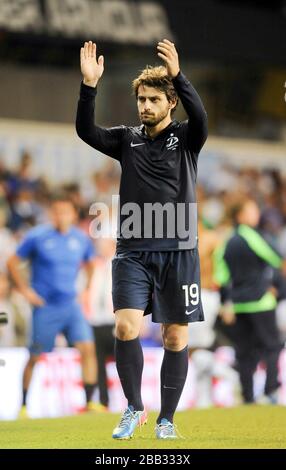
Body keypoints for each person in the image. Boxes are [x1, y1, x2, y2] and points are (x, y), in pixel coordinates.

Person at [76, 39, 207, 439]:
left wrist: (178, 76)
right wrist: (88, 86)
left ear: (170, 103)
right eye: (141, 100)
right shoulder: (126, 139)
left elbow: (200, 114)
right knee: (126, 328)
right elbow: (86, 131)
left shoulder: (187, 138)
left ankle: (167, 418)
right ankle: (134, 408)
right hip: (132, 251)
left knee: (174, 336)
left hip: (179, 252)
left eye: (153, 99)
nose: (145, 106)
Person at [7, 194, 97, 417]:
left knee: (87, 349)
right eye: (57, 211)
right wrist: (26, 291)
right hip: (46, 307)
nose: (61, 216)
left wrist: (86, 290)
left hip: (71, 305)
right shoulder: (38, 236)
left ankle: (89, 403)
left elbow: (90, 263)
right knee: (35, 356)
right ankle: (24, 405)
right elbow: (12, 262)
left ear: (74, 214)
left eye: (65, 212)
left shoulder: (80, 239)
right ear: (51, 213)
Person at [214, 198, 284, 404]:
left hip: (238, 304)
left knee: (244, 352)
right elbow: (276, 257)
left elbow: (221, 275)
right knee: (272, 346)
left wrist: (226, 302)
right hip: (261, 301)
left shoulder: (227, 240)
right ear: (241, 215)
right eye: (252, 210)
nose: (257, 214)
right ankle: (271, 390)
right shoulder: (253, 236)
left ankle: (247, 397)